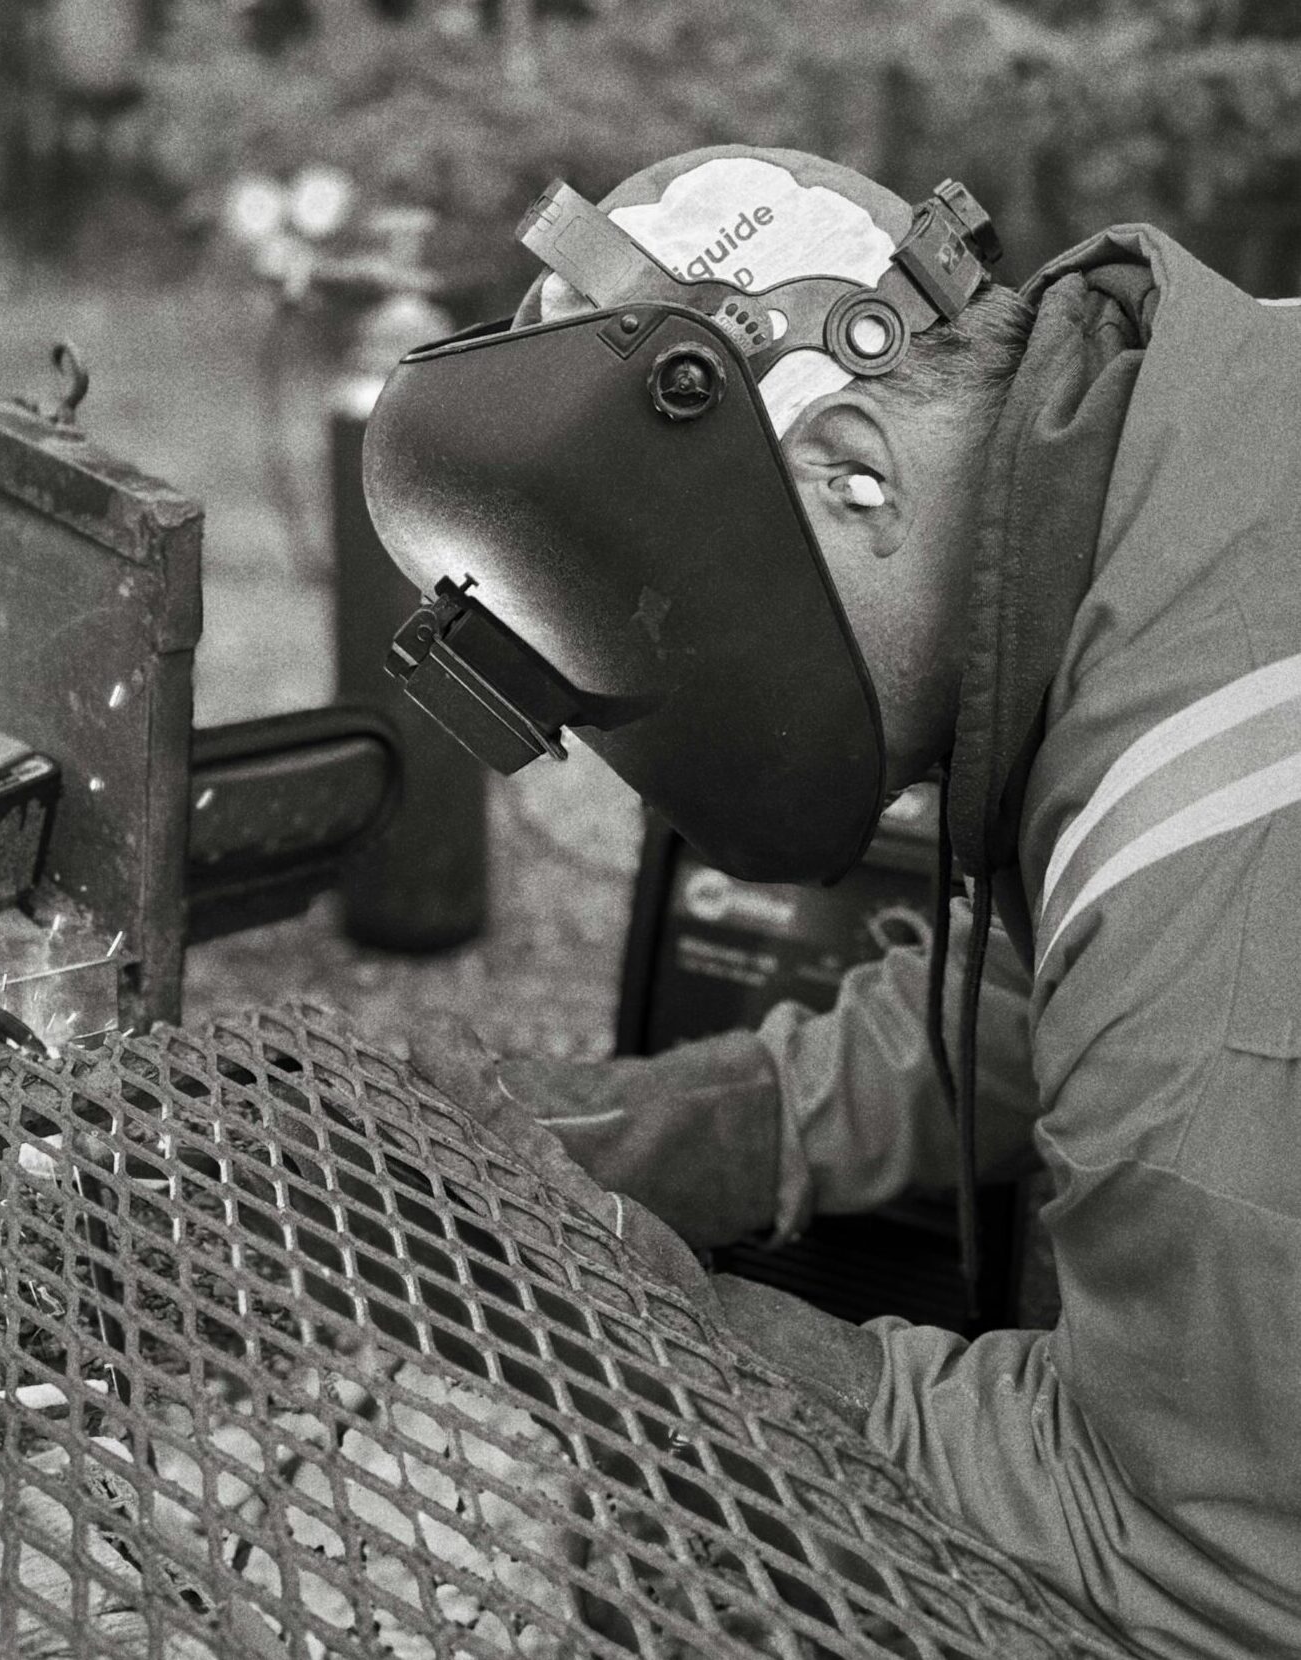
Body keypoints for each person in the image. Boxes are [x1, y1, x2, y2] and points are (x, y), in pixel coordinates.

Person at [363, 145, 1301, 1660]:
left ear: (855, 471)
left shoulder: (1218, 999)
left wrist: (680, 1354)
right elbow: (1054, 985)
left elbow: (1191, 1552)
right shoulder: (1218, 457)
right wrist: (699, 1126)